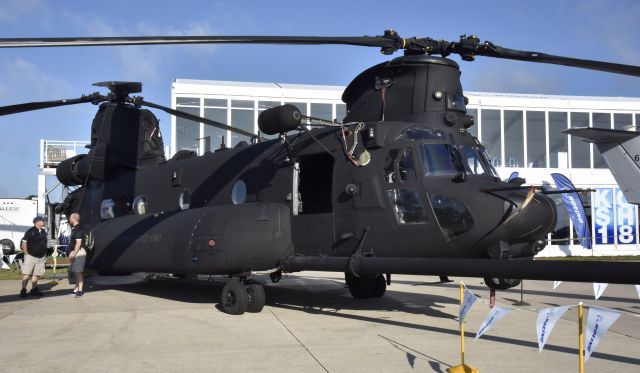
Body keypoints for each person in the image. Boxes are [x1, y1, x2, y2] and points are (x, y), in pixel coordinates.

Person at [19, 216, 48, 298]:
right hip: (31, 256)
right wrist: (26, 254)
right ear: (37, 222)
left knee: (36, 274)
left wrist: (44, 252)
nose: (44, 222)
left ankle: (34, 289)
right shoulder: (30, 231)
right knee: (27, 273)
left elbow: (44, 242)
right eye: (43, 221)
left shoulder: (43, 231)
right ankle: (23, 290)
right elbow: (24, 243)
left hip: (41, 256)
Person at [68, 213, 87, 298]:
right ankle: (76, 289)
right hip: (74, 251)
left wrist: (73, 254)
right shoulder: (75, 228)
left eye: (70, 218)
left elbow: (78, 243)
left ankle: (80, 290)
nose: (69, 219)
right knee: (75, 272)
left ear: (74, 219)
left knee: (79, 272)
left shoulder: (78, 229)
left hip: (78, 252)